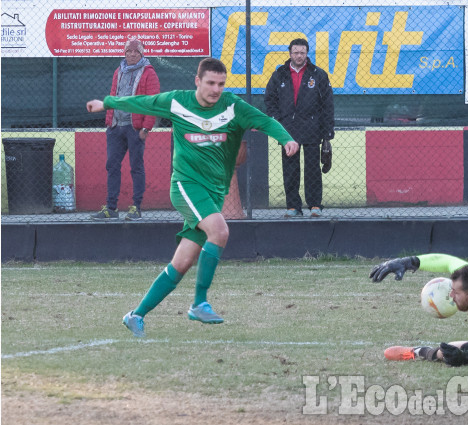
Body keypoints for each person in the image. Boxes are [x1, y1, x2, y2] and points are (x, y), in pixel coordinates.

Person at [86, 58, 299, 337]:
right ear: (197, 81)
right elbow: (143, 102)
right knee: (220, 230)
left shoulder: (233, 106)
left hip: (213, 191)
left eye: (221, 84)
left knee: (181, 264)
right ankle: (199, 303)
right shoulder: (177, 101)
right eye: (210, 83)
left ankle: (135, 315)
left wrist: (286, 139)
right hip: (186, 185)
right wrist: (107, 103)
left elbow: (265, 121)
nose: (215, 89)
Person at [264, 38, 334, 218]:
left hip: (312, 128)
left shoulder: (318, 74)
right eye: (295, 52)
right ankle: (293, 207)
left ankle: (315, 206)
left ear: (307, 53)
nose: (299, 56)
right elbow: (269, 100)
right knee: (290, 169)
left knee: (312, 169)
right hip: (287, 130)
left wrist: (327, 133)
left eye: (302, 52)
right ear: (290, 53)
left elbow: (327, 105)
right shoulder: (279, 74)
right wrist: (277, 122)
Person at [91, 39, 160, 221]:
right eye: (128, 51)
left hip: (135, 128)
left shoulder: (148, 73)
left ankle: (136, 208)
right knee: (112, 166)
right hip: (115, 127)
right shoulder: (118, 71)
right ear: (124, 53)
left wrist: (146, 127)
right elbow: (113, 95)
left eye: (135, 51)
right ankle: (111, 208)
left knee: (136, 167)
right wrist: (109, 122)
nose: (131, 54)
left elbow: (153, 103)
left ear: (141, 54)